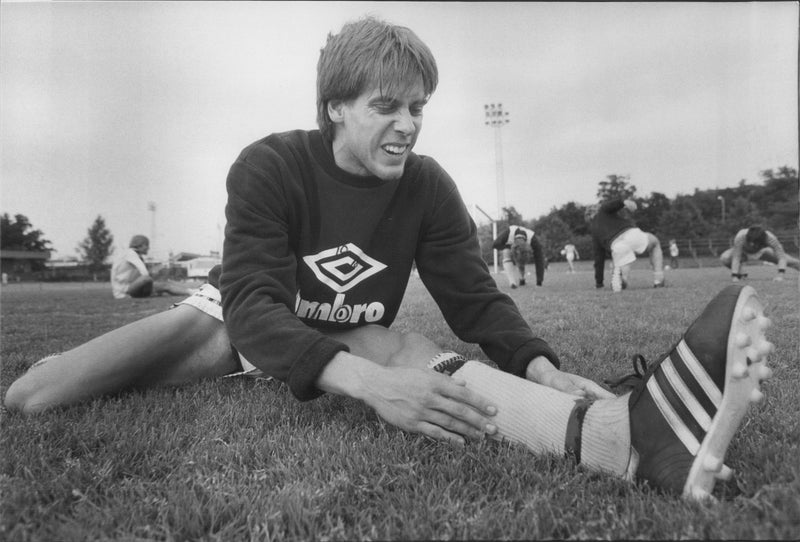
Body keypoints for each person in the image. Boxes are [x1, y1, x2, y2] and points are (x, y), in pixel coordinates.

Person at [4, 16, 774, 500]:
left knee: (407, 346)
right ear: (335, 106)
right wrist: (372, 390)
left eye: (418, 108)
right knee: (38, 397)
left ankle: (620, 439)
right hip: (237, 325)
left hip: (343, 335)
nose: (407, 126)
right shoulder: (269, 165)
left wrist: (537, 365)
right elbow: (254, 310)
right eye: (387, 106)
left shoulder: (427, 184)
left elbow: (474, 300)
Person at [587, 199, 665, 292]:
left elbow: (599, 259)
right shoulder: (602, 210)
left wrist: (599, 284)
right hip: (631, 235)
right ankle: (658, 279)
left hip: (616, 246)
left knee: (621, 259)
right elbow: (610, 205)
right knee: (655, 243)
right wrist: (623, 202)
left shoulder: (594, 232)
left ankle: (622, 278)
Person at [111, 235, 196, 299]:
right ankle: (191, 292)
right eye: (146, 245)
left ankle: (191, 291)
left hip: (123, 288)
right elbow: (145, 273)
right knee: (150, 280)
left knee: (165, 284)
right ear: (140, 245)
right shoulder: (131, 254)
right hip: (124, 290)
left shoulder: (128, 254)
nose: (148, 248)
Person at [720, 226, 799, 282]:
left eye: (755, 243)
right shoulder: (740, 236)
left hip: (763, 252)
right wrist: (734, 276)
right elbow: (736, 257)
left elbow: (781, 257)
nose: (752, 245)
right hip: (743, 253)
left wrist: (780, 276)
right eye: (750, 242)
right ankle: (741, 274)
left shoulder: (771, 238)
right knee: (725, 258)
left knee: (791, 261)